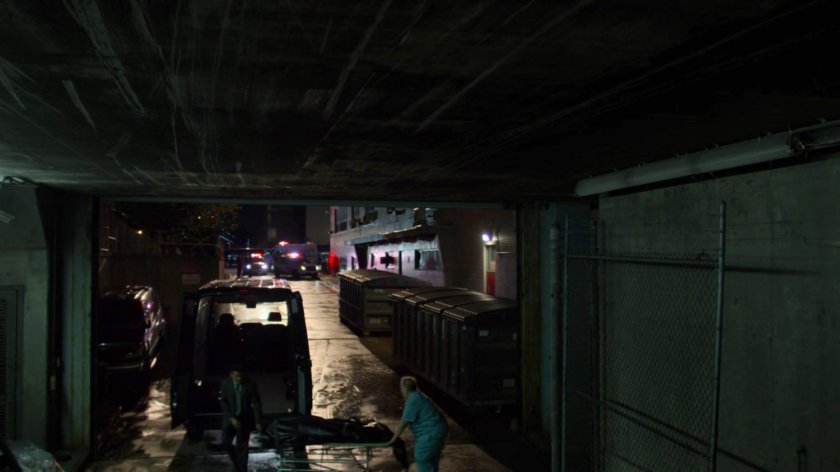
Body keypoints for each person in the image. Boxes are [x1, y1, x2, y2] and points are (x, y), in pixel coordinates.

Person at [386, 376, 448, 472]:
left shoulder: (413, 401)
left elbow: (404, 422)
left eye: (401, 388)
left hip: (429, 433)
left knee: (422, 458)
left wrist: (393, 439)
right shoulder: (418, 397)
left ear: (404, 389)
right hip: (437, 431)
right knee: (432, 461)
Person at [220, 366, 263, 472]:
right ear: (231, 375)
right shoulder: (226, 383)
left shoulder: (250, 384)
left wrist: (258, 421)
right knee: (225, 443)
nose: (239, 379)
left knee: (242, 446)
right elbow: (223, 401)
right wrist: (231, 417)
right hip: (230, 417)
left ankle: (242, 469)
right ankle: (237, 464)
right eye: (236, 376)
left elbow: (256, 403)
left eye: (240, 376)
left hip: (245, 418)